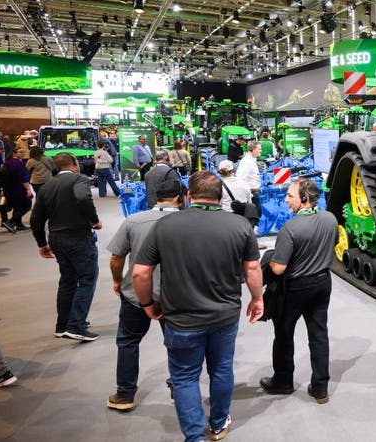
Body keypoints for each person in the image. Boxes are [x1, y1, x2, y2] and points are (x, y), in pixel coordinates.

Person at [132, 171, 263, 442]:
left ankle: (194, 437)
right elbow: (252, 268)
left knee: (184, 377)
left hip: (180, 318)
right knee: (222, 368)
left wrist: (147, 303)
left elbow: (140, 273)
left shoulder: (165, 225)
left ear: (189, 196)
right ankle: (217, 425)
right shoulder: (240, 226)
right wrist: (258, 298)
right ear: (220, 197)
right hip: (224, 316)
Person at [105, 175, 183, 411]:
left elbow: (117, 256)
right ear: (180, 199)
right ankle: (178, 391)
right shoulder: (188, 222)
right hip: (176, 295)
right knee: (177, 344)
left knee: (128, 342)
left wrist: (118, 281)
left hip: (136, 293)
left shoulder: (134, 220)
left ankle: (125, 394)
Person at [259, 178, 338, 403]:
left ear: (304, 199)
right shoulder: (330, 219)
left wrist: (270, 260)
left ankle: (283, 382)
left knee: (284, 334)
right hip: (322, 283)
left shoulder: (290, 229)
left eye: (290, 196)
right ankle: (320, 388)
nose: (285, 200)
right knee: (319, 334)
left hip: (294, 288)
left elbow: (279, 267)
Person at [30, 152, 102, 341]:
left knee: (68, 280)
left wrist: (42, 243)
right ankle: (77, 326)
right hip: (78, 236)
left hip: (56, 238)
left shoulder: (47, 186)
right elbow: (83, 198)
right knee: (87, 279)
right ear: (74, 164)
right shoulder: (79, 179)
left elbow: (35, 219)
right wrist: (94, 220)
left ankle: (63, 325)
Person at [1, 147, 34, 232]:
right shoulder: (19, 164)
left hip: (9, 189)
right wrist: (28, 189)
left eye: (23, 152)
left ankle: (19, 225)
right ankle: (10, 222)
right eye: (20, 152)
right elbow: (23, 179)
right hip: (19, 189)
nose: (23, 153)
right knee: (27, 206)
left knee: (17, 207)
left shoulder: (7, 163)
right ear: (14, 153)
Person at [236, 141, 262, 225]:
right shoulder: (247, 162)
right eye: (259, 149)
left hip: (254, 192)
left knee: (257, 214)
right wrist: (248, 194)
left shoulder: (252, 160)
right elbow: (240, 178)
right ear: (252, 149)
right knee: (254, 217)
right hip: (251, 193)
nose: (260, 151)